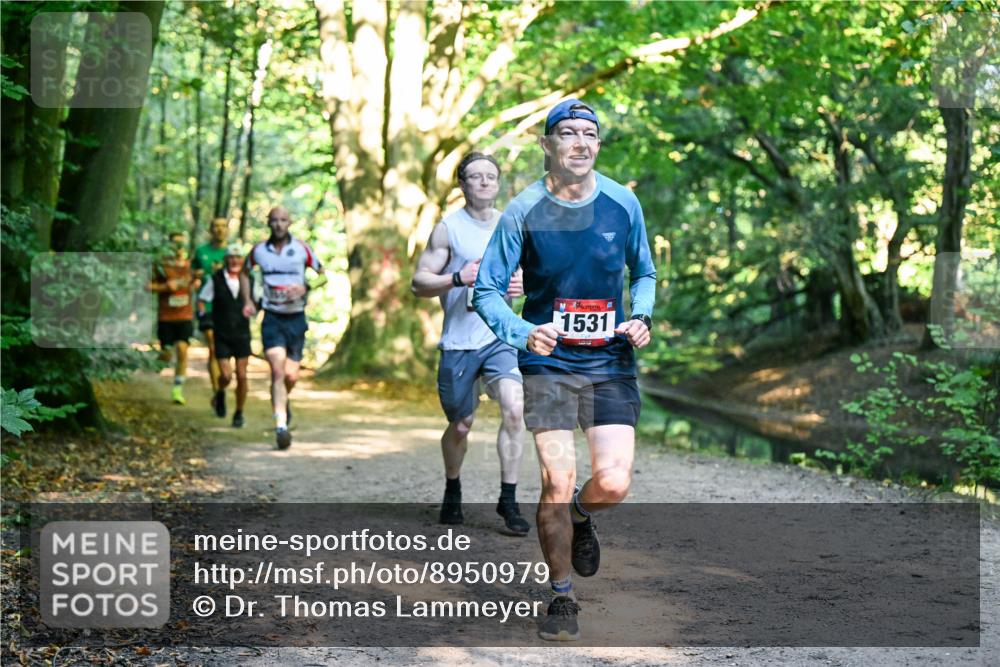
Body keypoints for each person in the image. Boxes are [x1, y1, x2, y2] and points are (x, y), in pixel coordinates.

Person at [473, 99, 656, 641]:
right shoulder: (522, 211)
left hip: (609, 361)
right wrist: (521, 332)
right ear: (547, 145)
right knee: (557, 477)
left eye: (590, 134)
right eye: (568, 133)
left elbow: (642, 271)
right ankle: (561, 595)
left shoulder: (623, 203)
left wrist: (641, 315)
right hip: (547, 361)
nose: (580, 142)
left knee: (615, 482)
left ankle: (582, 514)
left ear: (598, 144)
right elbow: (487, 290)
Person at [411, 151, 530, 536]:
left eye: (489, 176)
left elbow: (537, 276)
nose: (483, 182)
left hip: (500, 338)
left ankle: (508, 499)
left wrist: (524, 284)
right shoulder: (448, 229)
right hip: (459, 342)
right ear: (462, 184)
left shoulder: (511, 226)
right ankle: (453, 486)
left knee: (515, 409)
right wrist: (457, 278)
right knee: (460, 425)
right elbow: (419, 283)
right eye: (474, 176)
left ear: (497, 183)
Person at [240, 206, 326, 449]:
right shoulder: (259, 251)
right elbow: (244, 273)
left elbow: (323, 275)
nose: (278, 224)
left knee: (291, 375)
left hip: (296, 317)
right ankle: (281, 426)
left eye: (283, 220)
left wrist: (305, 287)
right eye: (274, 220)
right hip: (272, 318)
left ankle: (283, 399)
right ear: (268, 222)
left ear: (290, 222)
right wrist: (248, 300)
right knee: (277, 372)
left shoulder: (301, 249)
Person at [198, 243, 252, 428]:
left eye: (238, 257)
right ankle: (220, 392)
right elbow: (202, 300)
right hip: (222, 333)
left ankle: (239, 413)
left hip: (242, 334)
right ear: (226, 260)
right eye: (231, 257)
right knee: (227, 376)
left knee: (243, 376)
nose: (234, 261)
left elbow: (258, 300)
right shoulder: (216, 279)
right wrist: (204, 316)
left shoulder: (249, 279)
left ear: (243, 260)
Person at [149, 231, 198, 405]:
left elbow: (201, 280)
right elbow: (147, 286)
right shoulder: (161, 265)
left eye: (181, 244)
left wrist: (197, 283)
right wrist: (165, 286)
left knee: (183, 350)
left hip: (185, 315)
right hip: (166, 317)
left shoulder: (190, 265)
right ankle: (159, 363)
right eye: (175, 244)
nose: (178, 248)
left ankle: (178, 389)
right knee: (167, 354)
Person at [192, 217, 231, 417]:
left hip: (227, 308)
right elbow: (192, 276)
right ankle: (218, 392)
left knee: (224, 352)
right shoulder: (201, 252)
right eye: (215, 226)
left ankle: (221, 387)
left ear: (227, 230)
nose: (219, 230)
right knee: (213, 347)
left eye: (223, 226)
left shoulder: (232, 253)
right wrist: (196, 277)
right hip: (206, 305)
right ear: (210, 229)